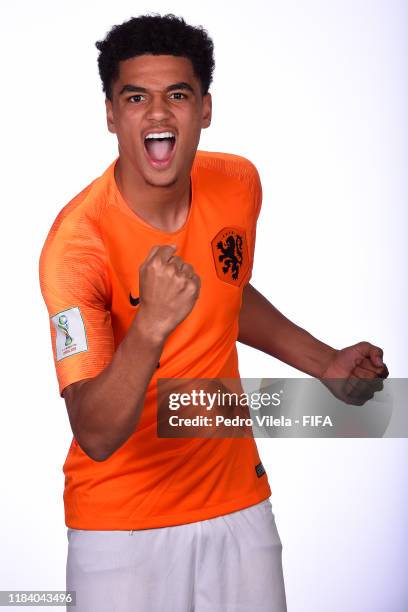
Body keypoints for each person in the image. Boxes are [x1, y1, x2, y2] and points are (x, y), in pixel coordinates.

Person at [38, 13, 388, 612]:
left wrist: (323, 362)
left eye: (177, 95)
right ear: (110, 114)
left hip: (240, 507)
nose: (156, 115)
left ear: (204, 108)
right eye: (135, 97)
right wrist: (150, 324)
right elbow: (94, 433)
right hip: (120, 528)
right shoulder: (75, 247)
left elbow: (228, 290)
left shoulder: (238, 183)